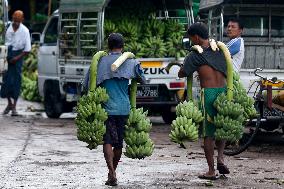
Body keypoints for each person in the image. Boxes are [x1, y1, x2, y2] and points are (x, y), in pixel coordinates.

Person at [84, 33, 145, 186]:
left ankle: (111, 172)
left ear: (108, 46)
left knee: (108, 141)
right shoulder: (131, 62)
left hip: (105, 109)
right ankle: (113, 172)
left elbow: (85, 84)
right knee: (118, 144)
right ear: (122, 46)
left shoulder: (99, 62)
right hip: (124, 108)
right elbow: (143, 79)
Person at [178, 22, 229, 180]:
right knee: (222, 127)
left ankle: (211, 170)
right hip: (225, 93)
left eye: (191, 38)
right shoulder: (221, 49)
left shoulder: (195, 55)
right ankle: (221, 157)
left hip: (209, 94)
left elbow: (182, 73)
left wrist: (184, 65)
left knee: (209, 134)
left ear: (197, 37)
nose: (191, 41)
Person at [1, 10, 31, 115]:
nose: (16, 22)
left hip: (18, 57)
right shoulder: (7, 28)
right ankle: (9, 103)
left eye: (18, 20)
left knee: (16, 82)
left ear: (22, 20)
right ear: (12, 18)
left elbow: (27, 50)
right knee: (6, 81)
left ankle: (14, 107)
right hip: (7, 55)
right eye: (15, 19)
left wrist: (16, 58)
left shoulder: (25, 31)